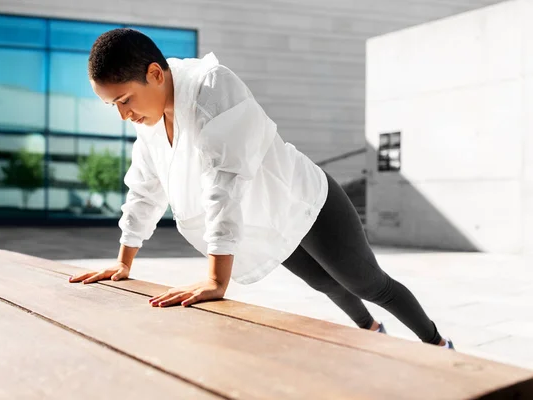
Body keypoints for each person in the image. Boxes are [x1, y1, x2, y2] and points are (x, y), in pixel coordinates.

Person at [69, 28, 454, 350]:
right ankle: (371, 332)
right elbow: (144, 187)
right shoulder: (149, 119)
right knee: (323, 282)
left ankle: (439, 346)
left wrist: (216, 280)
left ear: (155, 74)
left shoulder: (212, 88)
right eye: (112, 106)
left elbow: (224, 183)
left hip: (307, 202)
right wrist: (124, 261)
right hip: (264, 217)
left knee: (367, 283)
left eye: (124, 100)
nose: (123, 115)